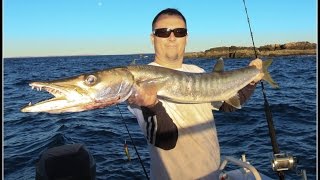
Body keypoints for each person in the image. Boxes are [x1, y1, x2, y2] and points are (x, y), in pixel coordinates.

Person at [127, 8, 262, 180]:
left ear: (186, 38)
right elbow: (165, 141)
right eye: (163, 32)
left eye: (179, 31)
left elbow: (227, 105)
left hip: (213, 174)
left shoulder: (197, 71)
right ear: (152, 38)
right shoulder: (141, 82)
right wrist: (152, 105)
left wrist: (251, 81)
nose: (172, 37)